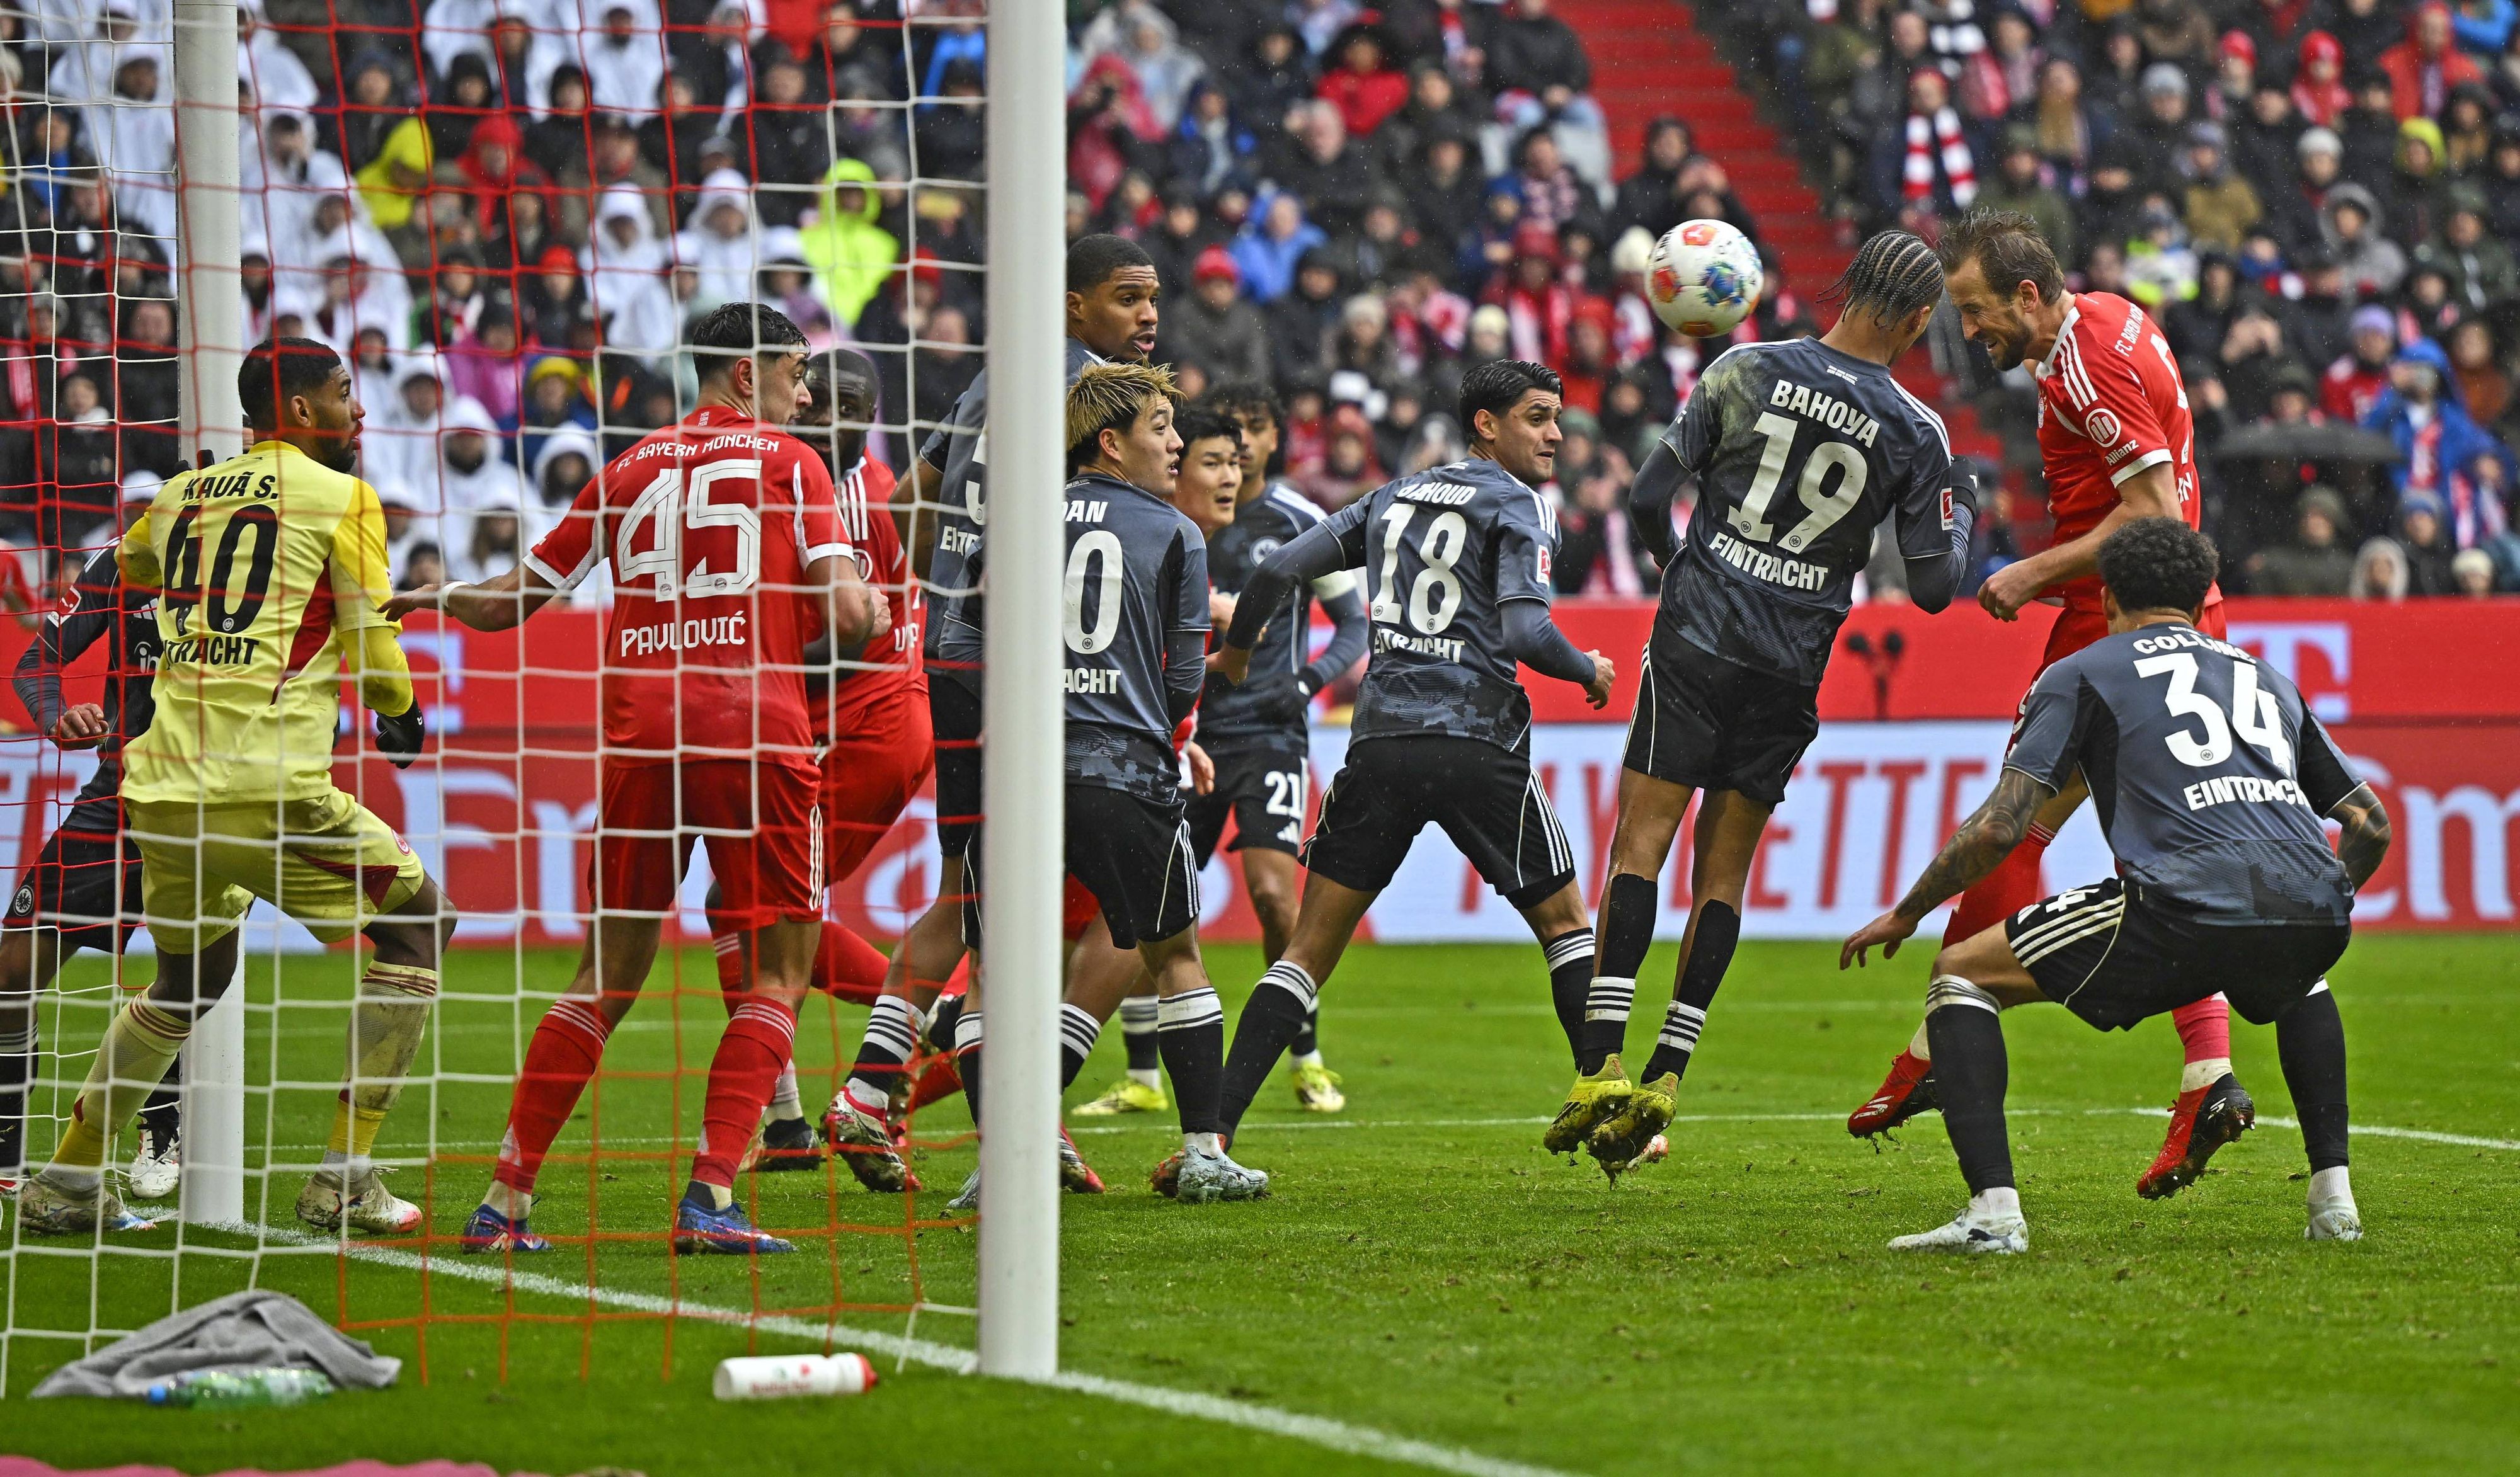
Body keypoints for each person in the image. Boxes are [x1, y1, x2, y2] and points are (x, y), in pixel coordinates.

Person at [393, 304, 886, 1257]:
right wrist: (860, 596)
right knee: (779, 972)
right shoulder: (795, 462)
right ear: (746, 375)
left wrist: (426, 599)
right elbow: (851, 618)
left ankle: (504, 1200)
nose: (807, 389)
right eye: (794, 370)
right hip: (757, 736)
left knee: (606, 977)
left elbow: (512, 602)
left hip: (637, 743)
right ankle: (709, 1197)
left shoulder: (626, 468)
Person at [1842, 519, 2390, 1252]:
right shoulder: (2266, 676)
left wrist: (1906, 913)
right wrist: (2326, 897)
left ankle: (1993, 1214)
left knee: (1960, 976)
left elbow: (2000, 827)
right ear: (2201, 606)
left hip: (2176, 904)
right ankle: (2334, 1205)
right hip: (2306, 896)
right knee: (2304, 977)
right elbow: (2369, 822)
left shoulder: (2082, 669)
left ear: (2105, 600)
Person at [1849, 208, 2252, 1204]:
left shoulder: (2085, 365)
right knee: (2144, 846)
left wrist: (2033, 569)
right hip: (2171, 612)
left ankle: (1944, 1030)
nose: (1973, 331)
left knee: (2016, 826)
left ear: (2030, 295)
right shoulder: (2114, 321)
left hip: (2114, 623)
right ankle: (2207, 1072)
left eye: (1981, 312)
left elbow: (2151, 511)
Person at [1564, 232, 1976, 1176]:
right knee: (1725, 875)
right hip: (1790, 665)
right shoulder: (1917, 431)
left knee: (1640, 845)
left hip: (1697, 641)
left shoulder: (1746, 368)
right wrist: (1968, 507)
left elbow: (1643, 498)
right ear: (1918, 320)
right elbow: (1931, 587)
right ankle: (1667, 1079)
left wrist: (1686, 573)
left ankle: (1602, 1066)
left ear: (1848, 287)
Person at [18, 338, 447, 1237]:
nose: (358, 411)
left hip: (160, 784)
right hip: (267, 780)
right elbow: (373, 643)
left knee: (192, 975)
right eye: (342, 394)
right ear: (297, 410)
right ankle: (345, 1177)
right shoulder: (343, 498)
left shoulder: (176, 498)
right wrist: (401, 714)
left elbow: (131, 572)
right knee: (420, 926)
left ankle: (68, 1177)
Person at [1193, 361, 1616, 1194]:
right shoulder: (1519, 504)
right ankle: (1607, 1105)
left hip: (1381, 743)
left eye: (1558, 419)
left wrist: (1235, 652)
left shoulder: (1392, 497)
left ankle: (1210, 1140)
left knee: (1308, 951)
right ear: (1486, 425)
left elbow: (1278, 570)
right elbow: (1527, 628)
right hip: (1475, 740)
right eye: (1538, 417)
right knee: (1567, 922)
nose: (1557, 434)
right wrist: (1588, 667)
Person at [831, 237, 1160, 1166]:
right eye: (1127, 297)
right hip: (1030, 670)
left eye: (1153, 299)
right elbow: (1102, 532)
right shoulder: (1101, 398)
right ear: (1072, 304)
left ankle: (874, 1086)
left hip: (956, 656)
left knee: (973, 885)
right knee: (1070, 902)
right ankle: (1016, 1131)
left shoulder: (994, 380)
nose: (1147, 317)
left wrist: (943, 597)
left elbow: (911, 497)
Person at [952, 363, 1269, 1209]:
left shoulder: (1019, 518)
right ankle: (1203, 1152)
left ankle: (997, 1165)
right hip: (1124, 768)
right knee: (1175, 957)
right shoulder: (1176, 533)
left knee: (989, 971)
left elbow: (970, 636)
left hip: (1019, 776)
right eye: (1162, 426)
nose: (1175, 442)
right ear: (1111, 440)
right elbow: (1182, 680)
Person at [1075, 387, 1372, 1120]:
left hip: (1263, 734)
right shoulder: (1170, 523)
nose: (1236, 465)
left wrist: (1301, 683)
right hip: (1177, 733)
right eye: (1217, 454)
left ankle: (1304, 1057)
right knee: (1149, 914)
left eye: (1246, 446)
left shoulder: (1299, 523)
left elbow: (1353, 628)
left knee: (1273, 894)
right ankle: (1140, 1074)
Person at [694, 349, 932, 1177]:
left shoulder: (853, 495)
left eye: (847, 406)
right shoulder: (784, 474)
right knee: (734, 903)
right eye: (815, 396)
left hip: (872, 725)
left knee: (758, 904)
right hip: (828, 726)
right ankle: (789, 1122)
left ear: (867, 419)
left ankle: (935, 1018)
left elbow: (848, 634)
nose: (825, 413)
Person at [0, 495, 180, 1199]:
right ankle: (7, 1150)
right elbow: (35, 664)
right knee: (15, 961)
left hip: (209, 790)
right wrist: (59, 715)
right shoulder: (120, 564)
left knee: (183, 966)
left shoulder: (254, 571)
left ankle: (162, 1128)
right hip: (119, 786)